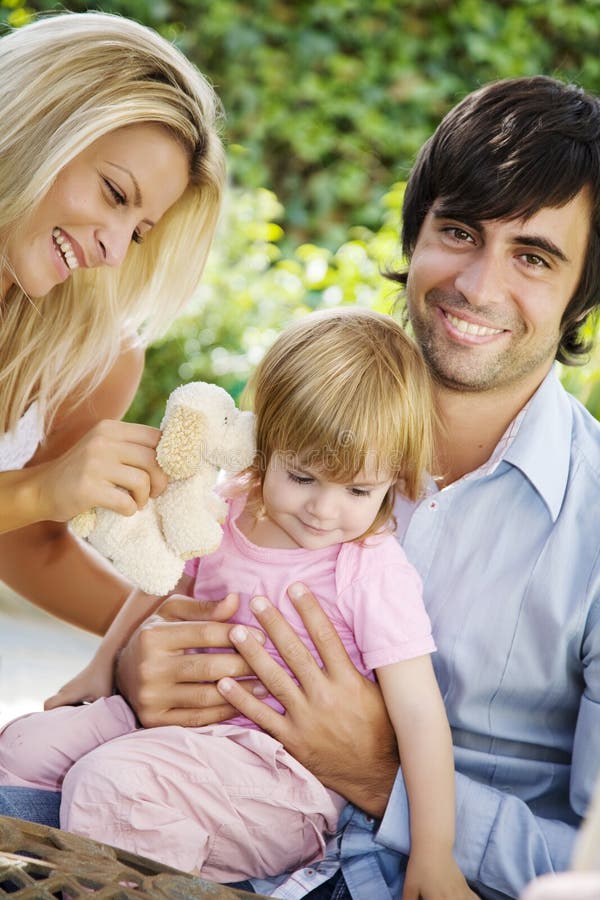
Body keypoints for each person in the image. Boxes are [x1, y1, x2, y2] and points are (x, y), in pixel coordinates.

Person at [3, 74, 600, 900]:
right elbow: (184, 571)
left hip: (382, 861)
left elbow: (589, 869)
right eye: (458, 232)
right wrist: (135, 665)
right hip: (191, 785)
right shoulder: (317, 409)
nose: (480, 284)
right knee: (18, 767)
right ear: (415, 236)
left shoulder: (587, 529)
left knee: (110, 794)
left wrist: (381, 779)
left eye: (534, 256)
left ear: (583, 294)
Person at [0, 309, 477, 898]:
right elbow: (164, 583)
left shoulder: (369, 568)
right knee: (25, 744)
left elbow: (420, 714)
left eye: (358, 490)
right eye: (302, 477)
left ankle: (155, 877)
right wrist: (101, 665)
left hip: (279, 781)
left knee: (114, 784)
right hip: (184, 727)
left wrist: (434, 852)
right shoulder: (229, 505)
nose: (324, 511)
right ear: (264, 443)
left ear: (395, 478)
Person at [0, 15, 224, 649]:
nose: (114, 251)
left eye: (140, 231)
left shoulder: (89, 358)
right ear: (38, 120)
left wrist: (193, 640)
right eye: (113, 192)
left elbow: (23, 544)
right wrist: (39, 486)